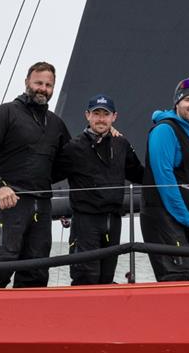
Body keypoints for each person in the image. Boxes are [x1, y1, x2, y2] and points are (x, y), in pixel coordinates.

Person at [0, 61, 71, 288]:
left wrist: (104, 136)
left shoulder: (56, 124)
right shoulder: (3, 114)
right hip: (10, 201)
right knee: (2, 267)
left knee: (36, 272)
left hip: (42, 205)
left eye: (48, 85)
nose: (43, 88)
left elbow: (71, 159)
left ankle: (26, 322)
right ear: (27, 82)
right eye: (38, 83)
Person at [54, 94, 144, 285]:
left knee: (106, 279)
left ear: (114, 117)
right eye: (96, 114)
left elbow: (139, 174)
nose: (101, 118)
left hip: (113, 219)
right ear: (87, 115)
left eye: (106, 114)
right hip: (86, 221)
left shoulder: (122, 144)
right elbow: (51, 176)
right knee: (86, 278)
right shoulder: (74, 147)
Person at [140, 78, 189, 281]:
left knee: (185, 277)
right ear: (177, 102)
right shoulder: (164, 130)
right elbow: (165, 180)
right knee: (176, 277)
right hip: (164, 218)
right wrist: (188, 219)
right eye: (187, 99)